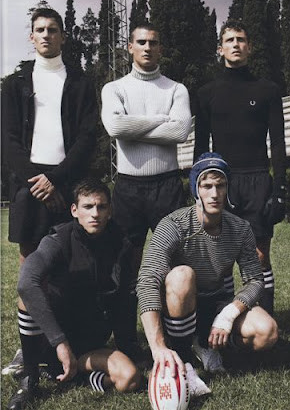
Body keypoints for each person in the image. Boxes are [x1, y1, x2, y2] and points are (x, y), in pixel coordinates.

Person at [1, 7, 97, 376]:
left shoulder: (81, 82)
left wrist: (56, 180)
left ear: (62, 36)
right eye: (39, 29)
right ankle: (28, 351)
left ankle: (65, 341)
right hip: (29, 185)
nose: (46, 35)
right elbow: (8, 140)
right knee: (31, 271)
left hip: (67, 181)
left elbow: (87, 138)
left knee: (68, 266)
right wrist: (37, 182)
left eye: (52, 29)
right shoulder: (15, 83)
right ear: (31, 36)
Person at [137, 152, 278, 397]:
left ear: (227, 188)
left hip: (215, 303)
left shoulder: (240, 228)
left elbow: (255, 280)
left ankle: (207, 345)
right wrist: (157, 346)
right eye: (207, 186)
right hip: (179, 307)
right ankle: (183, 358)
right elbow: (147, 280)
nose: (214, 194)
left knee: (267, 331)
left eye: (220, 186)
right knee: (182, 275)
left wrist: (228, 315)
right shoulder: (174, 224)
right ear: (196, 189)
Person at [8, 179, 141, 410]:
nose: (95, 214)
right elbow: (26, 283)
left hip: (89, 345)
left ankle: (72, 375)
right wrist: (60, 343)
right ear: (74, 210)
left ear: (110, 211)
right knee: (28, 296)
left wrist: (128, 347)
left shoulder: (121, 243)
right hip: (52, 339)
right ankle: (31, 375)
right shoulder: (59, 239)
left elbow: (126, 298)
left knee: (129, 377)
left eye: (101, 206)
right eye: (88, 207)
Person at [101, 22, 192, 359]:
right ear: (130, 47)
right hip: (128, 188)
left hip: (167, 185)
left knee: (176, 265)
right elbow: (115, 126)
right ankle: (128, 341)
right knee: (126, 267)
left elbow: (180, 131)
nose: (147, 48)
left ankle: (179, 341)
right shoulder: (115, 88)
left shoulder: (176, 89)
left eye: (153, 42)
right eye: (141, 42)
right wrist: (160, 119)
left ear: (160, 48)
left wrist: (136, 125)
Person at [194, 20, 286, 316]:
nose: (236, 44)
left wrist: (279, 189)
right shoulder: (206, 93)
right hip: (221, 183)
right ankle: (221, 324)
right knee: (218, 260)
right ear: (220, 49)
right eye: (230, 40)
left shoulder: (268, 90)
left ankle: (265, 321)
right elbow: (200, 146)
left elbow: (279, 144)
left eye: (241, 39)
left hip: (257, 181)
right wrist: (198, 188)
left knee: (259, 257)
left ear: (250, 47)